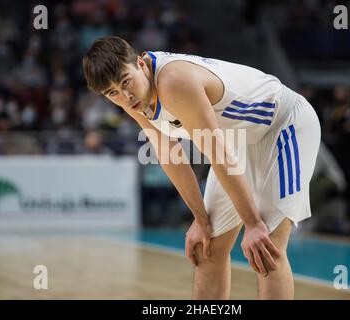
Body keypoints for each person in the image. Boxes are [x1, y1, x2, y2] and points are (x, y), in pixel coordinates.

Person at [83, 36, 321, 299]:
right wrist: (200, 219)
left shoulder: (173, 81)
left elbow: (217, 155)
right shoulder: (133, 99)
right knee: (207, 249)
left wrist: (252, 223)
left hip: (284, 124)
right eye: (112, 93)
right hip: (240, 138)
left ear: (140, 64)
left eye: (125, 82)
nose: (125, 96)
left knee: (266, 249)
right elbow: (168, 155)